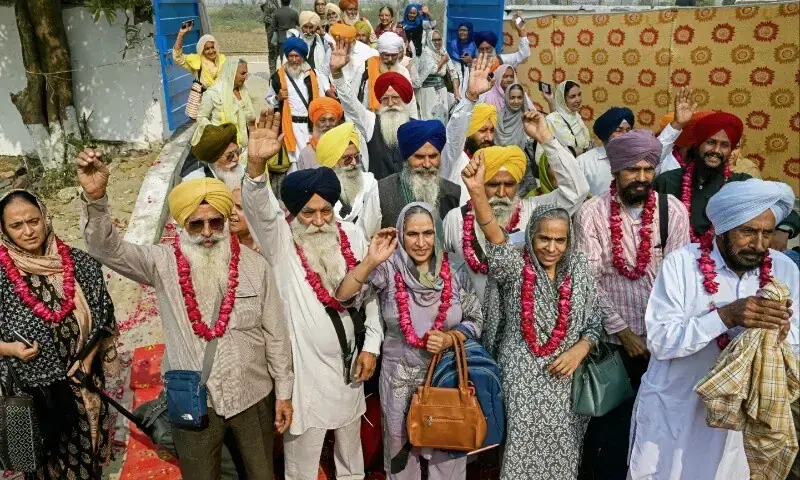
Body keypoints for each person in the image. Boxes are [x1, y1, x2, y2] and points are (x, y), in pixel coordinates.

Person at [77, 150, 294, 480]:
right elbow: (108, 249)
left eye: (215, 222)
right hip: (193, 398)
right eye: (196, 223)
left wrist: (284, 393)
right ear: (181, 224)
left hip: (253, 395)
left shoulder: (255, 267)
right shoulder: (162, 263)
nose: (207, 232)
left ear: (224, 221)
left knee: (261, 473)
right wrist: (95, 199)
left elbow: (276, 335)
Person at [240, 111, 383, 480]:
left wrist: (372, 346)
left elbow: (368, 296)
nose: (319, 221)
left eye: (325, 212)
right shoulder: (281, 240)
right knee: (303, 463)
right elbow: (259, 210)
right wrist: (256, 166)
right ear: (292, 211)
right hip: (305, 374)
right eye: (309, 213)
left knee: (352, 457)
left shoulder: (349, 234)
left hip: (350, 365)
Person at [628, 179, 799, 479]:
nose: (759, 244)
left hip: (737, 419)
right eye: (747, 231)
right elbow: (659, 341)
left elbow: (797, 341)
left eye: (767, 233)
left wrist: (782, 335)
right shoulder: (681, 265)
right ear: (722, 229)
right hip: (676, 409)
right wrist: (725, 317)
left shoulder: (784, 269)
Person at [461, 151, 603, 480]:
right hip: (519, 379)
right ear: (530, 236)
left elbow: (595, 322)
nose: (551, 248)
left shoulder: (579, 269)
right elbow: (495, 237)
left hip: (567, 380)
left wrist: (579, 350)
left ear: (569, 242)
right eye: (544, 238)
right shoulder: (515, 265)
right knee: (518, 456)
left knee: (564, 456)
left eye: (559, 240)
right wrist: (477, 192)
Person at [573, 130, 691, 479]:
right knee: (609, 431)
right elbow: (587, 282)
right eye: (632, 170)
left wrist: (661, 334)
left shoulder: (673, 211)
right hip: (612, 346)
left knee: (658, 428)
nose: (641, 177)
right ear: (616, 171)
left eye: (647, 169)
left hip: (661, 344)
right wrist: (623, 332)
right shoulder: (591, 215)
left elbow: (679, 277)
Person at [335, 202, 483, 480]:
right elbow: (343, 296)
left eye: (428, 233)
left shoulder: (455, 267)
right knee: (401, 460)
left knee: (446, 455)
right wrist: (370, 261)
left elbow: (476, 320)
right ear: (401, 235)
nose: (421, 242)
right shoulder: (389, 268)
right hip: (398, 380)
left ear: (437, 234)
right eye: (412, 234)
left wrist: (451, 338)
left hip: (445, 378)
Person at [0, 190, 117, 479]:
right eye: (17, 226)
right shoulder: (1, 277)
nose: (28, 231)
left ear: (45, 217)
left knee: (88, 459)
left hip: (84, 380)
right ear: (3, 230)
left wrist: (89, 358)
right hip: (37, 396)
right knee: (49, 467)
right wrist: (10, 350)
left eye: (34, 221)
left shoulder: (78, 263)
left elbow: (104, 315)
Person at [443, 111, 590, 300]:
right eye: (493, 184)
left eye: (509, 185)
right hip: (470, 323)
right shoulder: (455, 219)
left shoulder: (534, 212)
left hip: (524, 322)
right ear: (480, 183)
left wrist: (547, 140)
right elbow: (448, 272)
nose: (502, 193)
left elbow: (577, 191)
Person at [653, 111, 800, 246]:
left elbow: (785, 208)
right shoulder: (668, 181)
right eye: (711, 142)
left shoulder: (741, 183)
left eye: (724, 145)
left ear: (731, 150)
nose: (716, 151)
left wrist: (783, 231)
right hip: (675, 261)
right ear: (698, 144)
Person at [577, 88, 693, 197]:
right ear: (605, 134)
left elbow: (661, 145)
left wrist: (677, 123)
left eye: (628, 130)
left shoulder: (640, 156)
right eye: (618, 130)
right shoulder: (585, 162)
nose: (625, 135)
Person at [359, 119, 462, 239]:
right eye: (419, 157)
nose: (427, 164)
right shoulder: (381, 192)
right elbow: (365, 239)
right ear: (406, 158)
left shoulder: (453, 193)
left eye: (433, 156)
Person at [331, 40, 415, 180]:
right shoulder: (371, 123)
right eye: (385, 99)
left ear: (404, 100)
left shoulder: (414, 127)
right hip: (377, 195)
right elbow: (351, 104)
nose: (390, 104)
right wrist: (337, 74)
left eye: (395, 98)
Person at [439, 53, 499, 204]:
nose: (488, 137)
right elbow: (454, 135)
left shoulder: (493, 162)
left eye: (491, 131)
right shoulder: (455, 159)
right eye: (482, 130)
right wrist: (471, 97)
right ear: (470, 131)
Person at [267, 37, 327, 166]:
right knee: (295, 163)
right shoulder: (278, 77)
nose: (294, 60)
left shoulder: (313, 75)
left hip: (311, 126)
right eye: (290, 56)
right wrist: (278, 98)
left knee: (313, 160)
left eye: (297, 56)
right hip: (291, 126)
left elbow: (321, 99)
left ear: (302, 56)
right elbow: (270, 100)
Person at [314, 122, 378, 224]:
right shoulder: (318, 188)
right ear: (333, 161)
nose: (353, 163)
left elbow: (372, 224)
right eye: (347, 158)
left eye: (356, 157)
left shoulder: (369, 183)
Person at [192, 59, 255, 156]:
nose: (245, 77)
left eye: (246, 73)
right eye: (242, 73)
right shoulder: (213, 93)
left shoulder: (243, 90)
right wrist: (216, 132)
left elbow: (249, 118)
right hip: (222, 148)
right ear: (232, 72)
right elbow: (201, 117)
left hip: (243, 146)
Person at [352, 32, 419, 117]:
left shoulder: (403, 72)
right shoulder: (366, 70)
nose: (390, 59)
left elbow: (411, 101)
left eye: (393, 55)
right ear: (380, 54)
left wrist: (414, 120)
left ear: (399, 54)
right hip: (372, 118)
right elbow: (356, 97)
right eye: (386, 55)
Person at [461, 20, 530, 98]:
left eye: (488, 48)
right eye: (481, 49)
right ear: (477, 50)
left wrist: (522, 32)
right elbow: (465, 90)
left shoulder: (503, 60)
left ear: (493, 48)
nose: (485, 52)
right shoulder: (472, 67)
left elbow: (524, 54)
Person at [412, 29, 459, 124]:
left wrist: (456, 92)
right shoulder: (426, 53)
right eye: (434, 40)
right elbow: (432, 70)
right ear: (429, 40)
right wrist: (443, 60)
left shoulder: (443, 51)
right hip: (428, 92)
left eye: (439, 39)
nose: (437, 42)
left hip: (441, 91)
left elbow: (453, 72)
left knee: (442, 120)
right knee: (429, 119)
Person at [183, 123, 244, 190]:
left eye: (238, 152)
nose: (236, 158)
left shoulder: (241, 169)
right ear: (214, 159)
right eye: (230, 155)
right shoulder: (195, 183)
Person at [327, 23, 379, 96]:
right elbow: (323, 72)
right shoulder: (332, 50)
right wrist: (327, 88)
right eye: (337, 42)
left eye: (343, 42)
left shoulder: (371, 53)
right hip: (337, 96)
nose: (340, 45)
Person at [546, 80, 592, 156]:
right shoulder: (551, 120)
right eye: (572, 96)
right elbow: (546, 152)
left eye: (579, 95)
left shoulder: (576, 116)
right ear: (562, 99)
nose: (578, 100)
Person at [297, 97, 345, 170]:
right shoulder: (306, 153)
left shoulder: (347, 148)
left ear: (337, 122)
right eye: (322, 120)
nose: (328, 124)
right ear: (315, 123)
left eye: (332, 120)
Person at [446, 22, 476, 97]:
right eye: (460, 30)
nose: (462, 32)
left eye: (465, 30)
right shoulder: (454, 43)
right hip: (457, 75)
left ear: (469, 31)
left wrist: (471, 60)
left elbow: (478, 61)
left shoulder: (474, 45)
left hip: (471, 75)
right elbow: (454, 61)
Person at [270, 0, 300, 71]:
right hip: (293, 40)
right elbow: (298, 23)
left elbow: (273, 27)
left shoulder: (276, 13)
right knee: (293, 59)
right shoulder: (294, 13)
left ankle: (284, 77)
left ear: (281, 2)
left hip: (281, 40)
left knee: (283, 60)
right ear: (290, 2)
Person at [230, 186, 261, 253]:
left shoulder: (270, 244)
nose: (231, 211)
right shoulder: (223, 242)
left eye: (239, 207)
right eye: (229, 206)